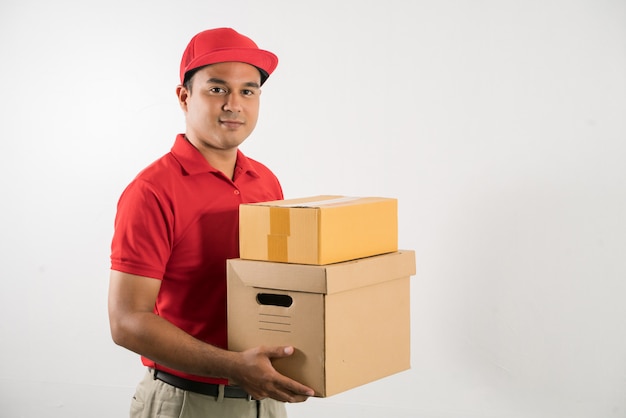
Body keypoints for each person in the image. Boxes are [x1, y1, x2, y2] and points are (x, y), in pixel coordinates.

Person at [108, 27, 314, 418]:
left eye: (248, 91)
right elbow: (126, 321)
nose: (234, 104)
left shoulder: (266, 181)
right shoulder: (152, 191)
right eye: (217, 89)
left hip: (264, 399)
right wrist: (233, 367)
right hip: (187, 403)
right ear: (184, 97)